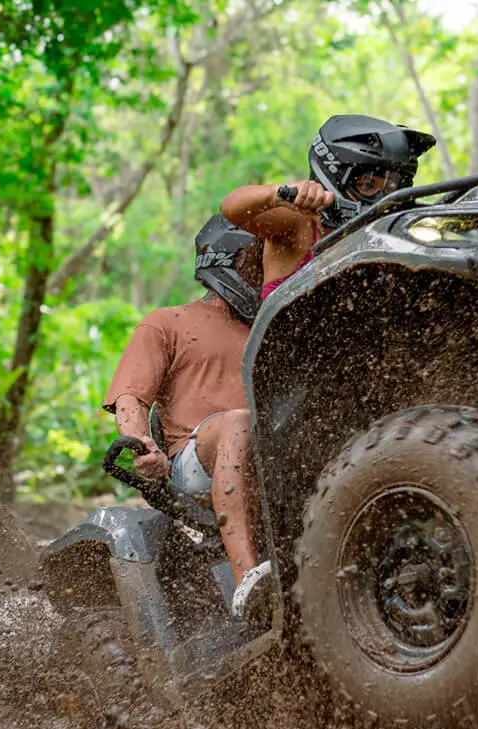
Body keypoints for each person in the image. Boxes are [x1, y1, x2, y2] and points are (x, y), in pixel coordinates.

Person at [103, 215, 272, 617]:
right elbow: (131, 397)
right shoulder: (167, 323)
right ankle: (248, 579)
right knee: (237, 422)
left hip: (270, 452)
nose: (261, 273)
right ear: (222, 262)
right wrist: (143, 446)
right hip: (194, 462)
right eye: (253, 264)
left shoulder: (272, 324)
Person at [219, 114, 436, 300]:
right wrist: (280, 192)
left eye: (392, 187)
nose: (383, 199)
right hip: (290, 346)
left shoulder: (391, 232)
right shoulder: (299, 223)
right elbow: (231, 209)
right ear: (335, 177)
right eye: (368, 185)